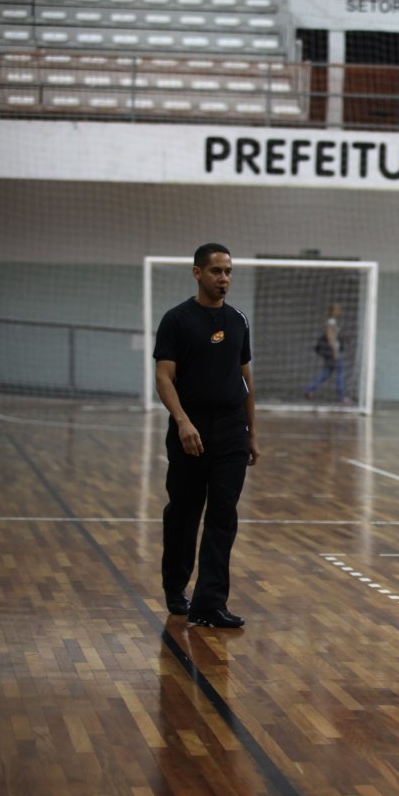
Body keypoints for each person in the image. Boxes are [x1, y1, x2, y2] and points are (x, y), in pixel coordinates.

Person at [153, 243, 259, 629]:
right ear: (198, 273)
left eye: (229, 271)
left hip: (231, 432)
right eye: (216, 271)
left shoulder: (238, 320)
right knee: (183, 513)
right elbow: (164, 377)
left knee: (223, 516)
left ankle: (210, 603)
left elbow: (245, 379)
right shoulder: (177, 320)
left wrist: (252, 433)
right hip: (191, 430)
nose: (224, 278)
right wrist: (182, 421)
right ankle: (175, 583)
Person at [303, 302, 351, 404]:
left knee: (327, 372)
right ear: (333, 311)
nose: (340, 311)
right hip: (333, 352)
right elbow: (330, 337)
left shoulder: (333, 322)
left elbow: (334, 336)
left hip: (333, 351)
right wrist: (335, 351)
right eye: (338, 309)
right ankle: (341, 396)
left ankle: (309, 389)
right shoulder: (331, 322)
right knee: (340, 373)